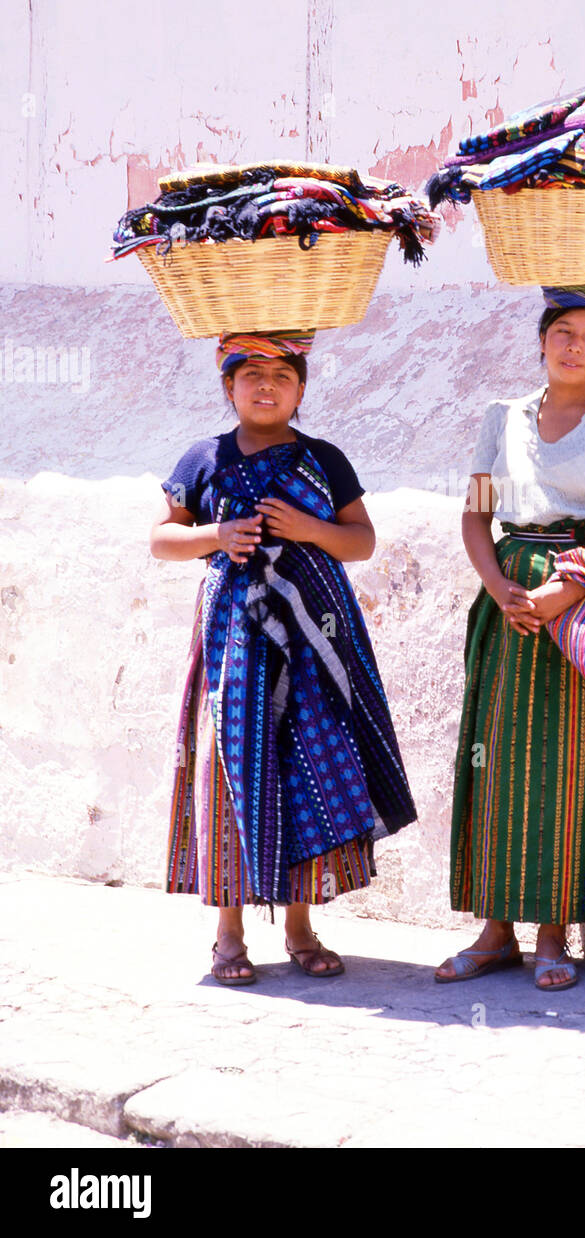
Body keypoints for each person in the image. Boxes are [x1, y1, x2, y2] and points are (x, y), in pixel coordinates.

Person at [150, 330, 416, 985]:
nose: (265, 386)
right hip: (234, 643)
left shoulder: (323, 459)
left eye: (281, 375)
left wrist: (309, 531)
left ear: (301, 388)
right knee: (232, 769)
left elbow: (361, 542)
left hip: (314, 642)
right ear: (227, 386)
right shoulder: (203, 457)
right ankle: (229, 937)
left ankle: (301, 928)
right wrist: (216, 535)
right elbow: (161, 538)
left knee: (308, 774)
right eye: (250, 374)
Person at [435, 286, 585, 991]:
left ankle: (550, 934)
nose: (574, 344)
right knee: (497, 758)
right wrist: (498, 587)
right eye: (562, 331)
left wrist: (562, 594)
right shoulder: (500, 418)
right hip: (509, 598)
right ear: (541, 341)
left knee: (566, 763)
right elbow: (477, 516)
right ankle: (492, 931)